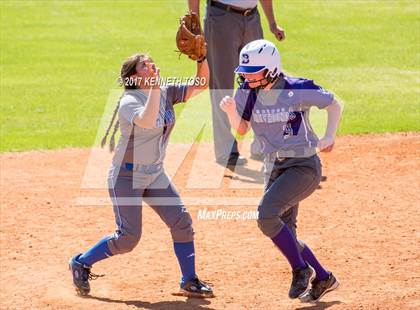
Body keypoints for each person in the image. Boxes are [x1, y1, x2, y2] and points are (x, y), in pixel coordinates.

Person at [69, 53, 214, 298]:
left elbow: (201, 84)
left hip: (155, 174)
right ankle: (81, 263)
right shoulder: (128, 101)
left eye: (150, 61)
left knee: (182, 222)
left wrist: (201, 58)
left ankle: (188, 280)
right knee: (128, 238)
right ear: (134, 78)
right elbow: (147, 121)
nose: (151, 64)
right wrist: (156, 87)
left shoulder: (166, 91)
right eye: (144, 65)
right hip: (126, 177)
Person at [220, 39, 342, 302]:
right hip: (273, 167)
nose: (248, 77)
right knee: (285, 233)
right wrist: (231, 112)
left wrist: (329, 135)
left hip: (303, 167)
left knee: (266, 215)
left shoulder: (297, 88)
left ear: (272, 69)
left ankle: (301, 270)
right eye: (245, 72)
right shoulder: (248, 92)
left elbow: (334, 104)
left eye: (254, 72)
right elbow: (242, 129)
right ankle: (323, 277)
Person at [188, 0, 285, 166]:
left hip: (252, 18)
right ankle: (226, 151)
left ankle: (262, 145)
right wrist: (195, 25)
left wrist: (272, 23)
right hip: (221, 18)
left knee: (263, 84)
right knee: (222, 85)